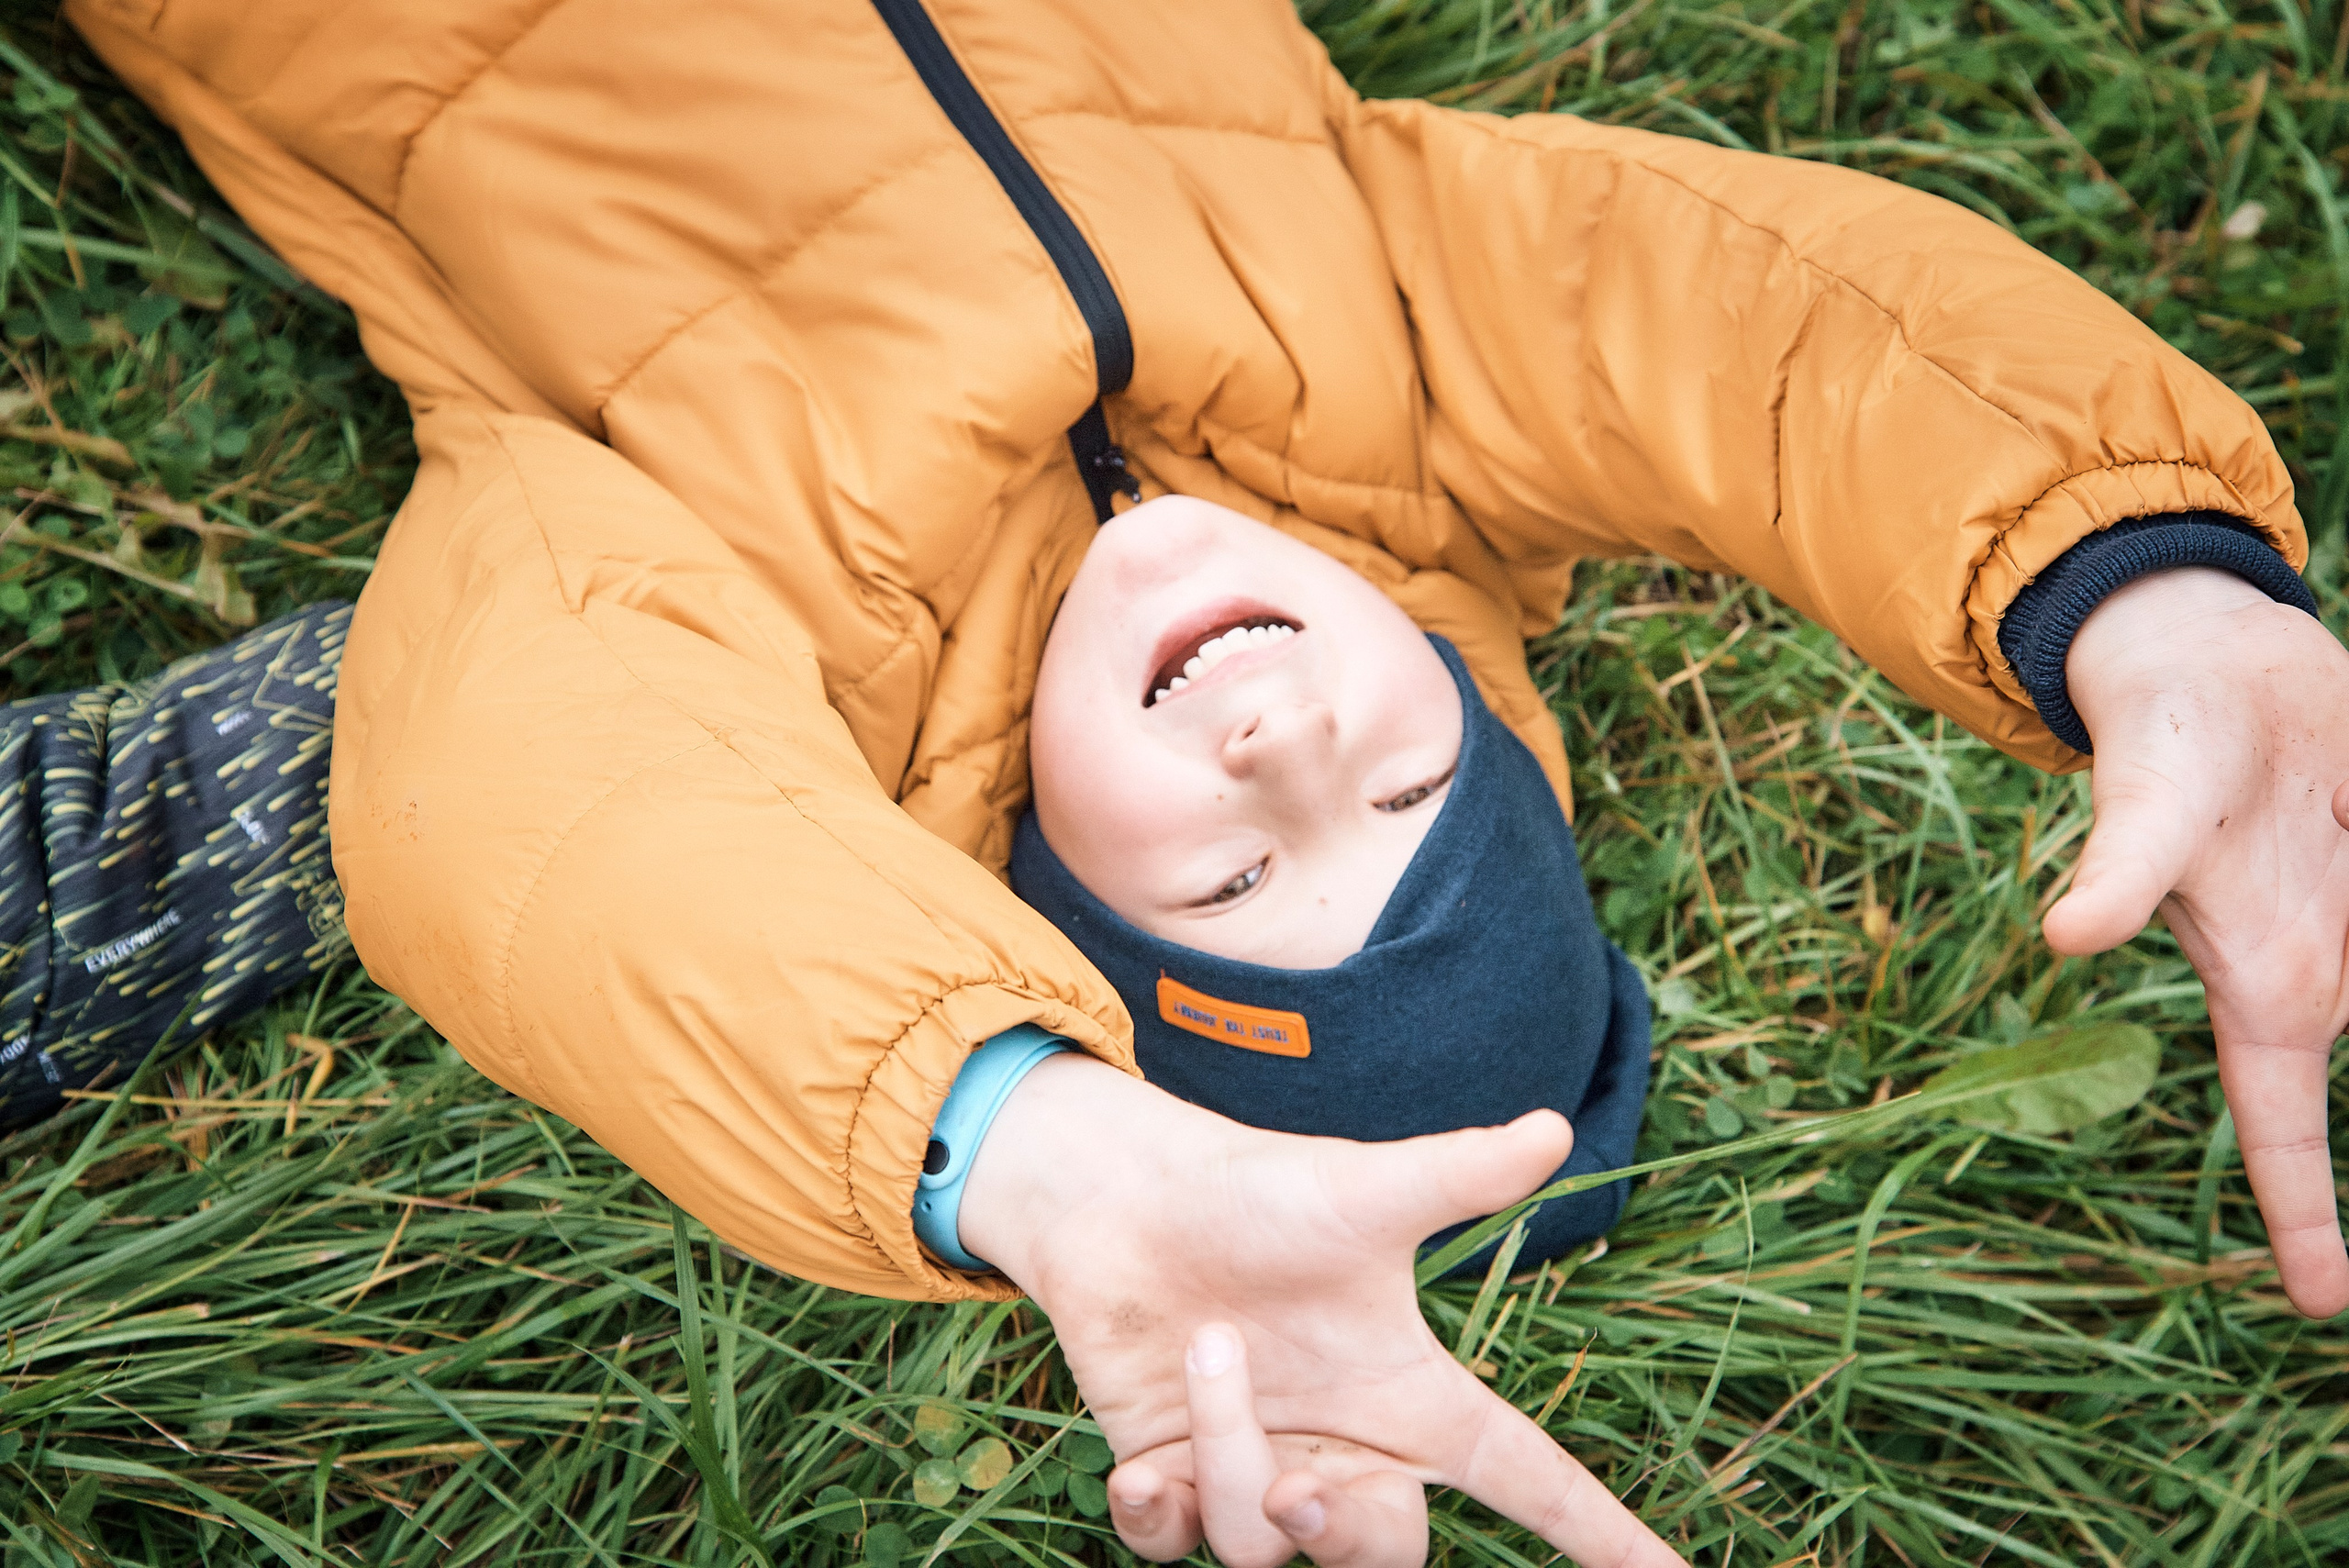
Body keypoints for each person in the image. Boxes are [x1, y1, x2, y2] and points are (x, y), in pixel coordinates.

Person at [45, 0, 2348, 1562]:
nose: (1277, 739)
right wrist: (2141, 591)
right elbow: (1743, 329)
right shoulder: (1412, 396)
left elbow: (545, 812)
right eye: (1404, 772)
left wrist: (1015, 1143)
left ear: (1050, 903)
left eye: (1238, 877)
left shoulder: (733, 601)